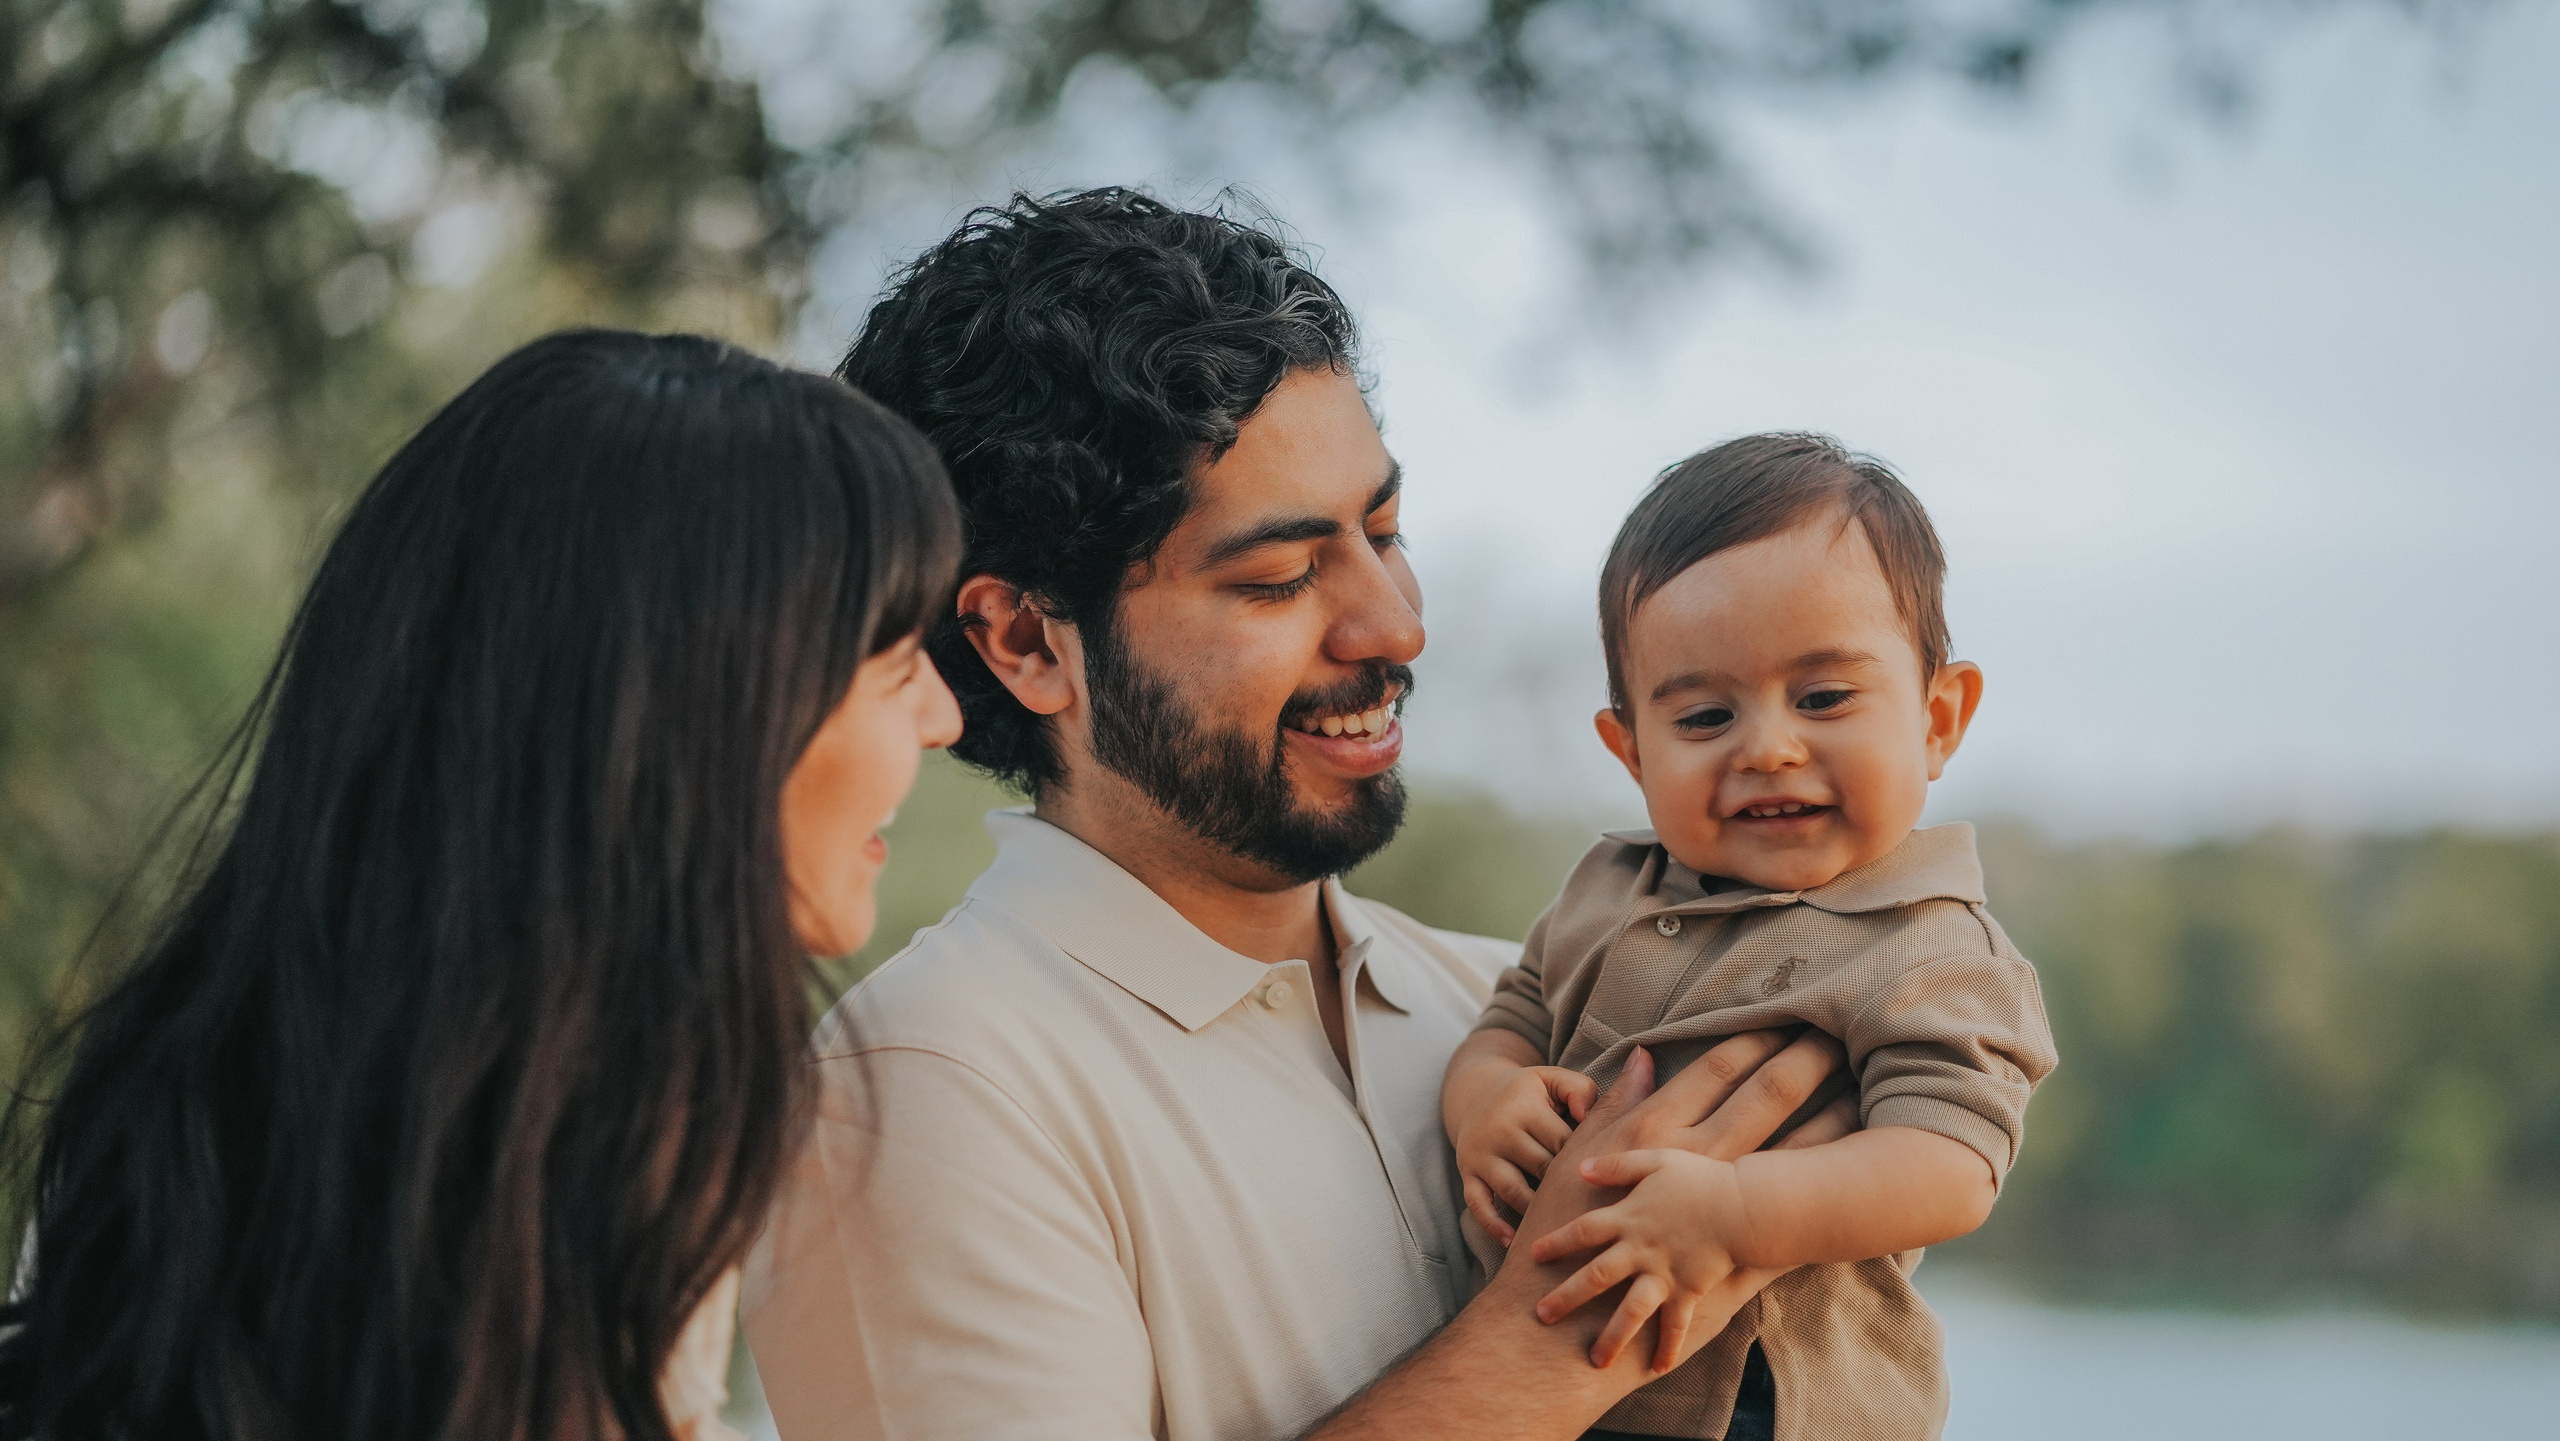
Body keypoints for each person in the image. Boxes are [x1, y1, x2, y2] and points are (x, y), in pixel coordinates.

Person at [741, 188, 1854, 1441]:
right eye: (1276, 579)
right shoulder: (919, 1095)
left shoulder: (1520, 1005)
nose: (1393, 626)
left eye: (1385, 529)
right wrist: (1553, 1338)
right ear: (1020, 641)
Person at [0, 330, 964, 1441]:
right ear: (699, 721)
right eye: (895, 663)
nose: (942, 717)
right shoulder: (558, 1171)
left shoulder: (242, 1112)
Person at [1442, 433, 2060, 1440]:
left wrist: (1736, 1211)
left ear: (1939, 719)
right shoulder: (1607, 885)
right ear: (1631, 749)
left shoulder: (1931, 945)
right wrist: (1486, 1099)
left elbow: (1949, 1165)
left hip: (1772, 1402)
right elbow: (1511, 1015)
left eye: (1823, 698)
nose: (1768, 747)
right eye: (1703, 716)